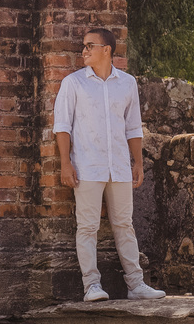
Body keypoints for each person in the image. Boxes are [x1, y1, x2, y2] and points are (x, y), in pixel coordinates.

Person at [53, 27, 166, 302]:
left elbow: (132, 127)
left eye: (90, 45)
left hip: (119, 166)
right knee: (87, 227)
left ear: (107, 50)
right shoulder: (73, 84)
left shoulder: (127, 83)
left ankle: (136, 285)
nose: (84, 50)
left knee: (124, 225)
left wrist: (137, 162)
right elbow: (62, 126)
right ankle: (91, 285)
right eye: (83, 46)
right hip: (87, 166)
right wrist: (65, 163)